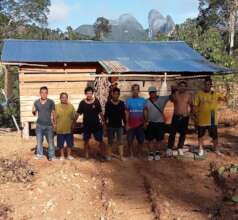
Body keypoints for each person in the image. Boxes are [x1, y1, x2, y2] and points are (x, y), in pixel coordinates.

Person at [193, 78, 227, 156]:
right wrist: (195, 117)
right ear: (204, 85)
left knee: (215, 136)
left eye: (209, 84)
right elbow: (194, 106)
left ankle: (216, 149)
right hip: (202, 119)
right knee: (200, 135)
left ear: (211, 85)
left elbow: (225, 99)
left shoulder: (215, 93)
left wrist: (226, 92)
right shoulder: (199, 94)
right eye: (206, 84)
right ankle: (200, 149)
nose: (207, 86)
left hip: (212, 119)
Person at [76, 86, 106, 160]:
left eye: (90, 93)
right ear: (85, 94)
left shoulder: (96, 101)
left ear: (92, 94)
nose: (89, 95)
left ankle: (102, 155)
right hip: (86, 125)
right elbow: (78, 113)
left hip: (96, 125)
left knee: (100, 140)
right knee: (86, 141)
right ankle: (86, 156)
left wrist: (104, 123)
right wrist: (73, 123)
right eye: (87, 93)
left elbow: (100, 113)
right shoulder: (82, 103)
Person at [167, 81, 193, 156]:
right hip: (176, 116)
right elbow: (171, 99)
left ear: (186, 87)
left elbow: (192, 105)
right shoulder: (175, 94)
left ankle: (180, 148)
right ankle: (169, 148)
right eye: (181, 86)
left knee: (183, 133)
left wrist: (191, 113)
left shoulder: (188, 95)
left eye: (184, 86)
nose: (182, 87)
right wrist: (172, 91)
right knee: (172, 133)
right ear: (179, 87)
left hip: (185, 117)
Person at [144, 86, 170, 160]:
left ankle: (157, 152)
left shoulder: (162, 99)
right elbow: (145, 111)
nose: (152, 94)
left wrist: (174, 89)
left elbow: (171, 96)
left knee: (159, 139)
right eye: (150, 92)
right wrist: (145, 121)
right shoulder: (147, 101)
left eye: (153, 92)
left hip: (160, 123)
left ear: (156, 92)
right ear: (149, 93)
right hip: (151, 123)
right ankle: (151, 153)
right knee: (150, 139)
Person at [32, 86, 56, 161]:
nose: (44, 94)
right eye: (42, 93)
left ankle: (51, 156)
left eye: (45, 93)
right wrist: (33, 111)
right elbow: (34, 113)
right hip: (39, 125)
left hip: (49, 125)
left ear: (47, 94)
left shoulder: (51, 102)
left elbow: (54, 113)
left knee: (51, 142)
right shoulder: (36, 102)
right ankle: (39, 155)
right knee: (39, 141)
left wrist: (55, 124)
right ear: (40, 93)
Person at [105, 87, 126, 161]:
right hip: (110, 126)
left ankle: (121, 156)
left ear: (119, 95)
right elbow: (106, 115)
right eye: (114, 94)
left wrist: (125, 124)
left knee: (120, 142)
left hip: (119, 126)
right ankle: (109, 155)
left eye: (117, 94)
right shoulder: (108, 103)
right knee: (110, 141)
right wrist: (105, 125)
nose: (116, 95)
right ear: (112, 94)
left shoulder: (122, 103)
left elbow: (123, 115)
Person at [125, 84, 146, 158]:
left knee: (141, 140)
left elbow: (145, 111)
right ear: (132, 91)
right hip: (131, 124)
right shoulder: (128, 100)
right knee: (129, 140)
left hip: (140, 124)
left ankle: (139, 153)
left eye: (137, 89)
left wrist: (145, 122)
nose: (135, 91)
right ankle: (131, 153)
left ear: (139, 91)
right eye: (134, 89)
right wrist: (127, 123)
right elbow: (127, 112)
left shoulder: (143, 100)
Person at [55, 92, 75, 160]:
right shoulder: (56, 106)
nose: (64, 99)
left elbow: (74, 117)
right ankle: (62, 155)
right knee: (61, 144)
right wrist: (54, 125)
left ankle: (69, 155)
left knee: (69, 143)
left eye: (65, 97)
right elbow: (54, 117)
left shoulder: (71, 106)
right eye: (62, 97)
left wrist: (73, 125)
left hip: (69, 128)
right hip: (60, 128)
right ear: (60, 98)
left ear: (67, 98)